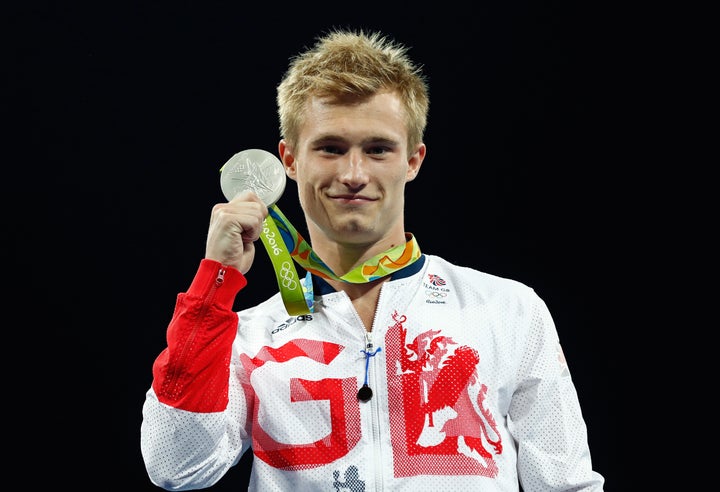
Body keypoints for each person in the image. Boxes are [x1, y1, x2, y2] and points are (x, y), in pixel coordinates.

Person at [140, 28, 605, 491]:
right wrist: (213, 288)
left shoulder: (507, 310)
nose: (354, 174)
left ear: (413, 160)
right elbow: (177, 466)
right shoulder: (243, 337)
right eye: (330, 148)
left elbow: (567, 484)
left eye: (378, 149)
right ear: (289, 159)